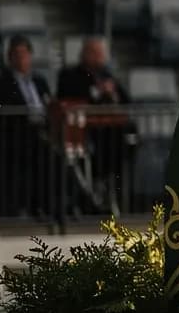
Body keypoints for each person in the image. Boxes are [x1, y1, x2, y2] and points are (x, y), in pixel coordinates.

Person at [56, 36, 136, 203]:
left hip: (109, 130)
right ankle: (94, 191)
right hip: (83, 131)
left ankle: (111, 190)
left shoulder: (107, 75)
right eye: (97, 53)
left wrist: (112, 93)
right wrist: (97, 92)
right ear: (86, 54)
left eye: (102, 54)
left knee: (126, 142)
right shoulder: (69, 74)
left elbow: (126, 99)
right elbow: (70, 99)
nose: (101, 58)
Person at [0, 34, 56, 220]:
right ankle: (25, 208)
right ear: (9, 58)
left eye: (25, 54)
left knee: (56, 152)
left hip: (41, 132)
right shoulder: (1, 83)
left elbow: (50, 105)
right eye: (17, 54)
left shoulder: (40, 82)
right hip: (15, 136)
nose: (22, 58)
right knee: (35, 151)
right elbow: (6, 110)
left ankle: (49, 207)